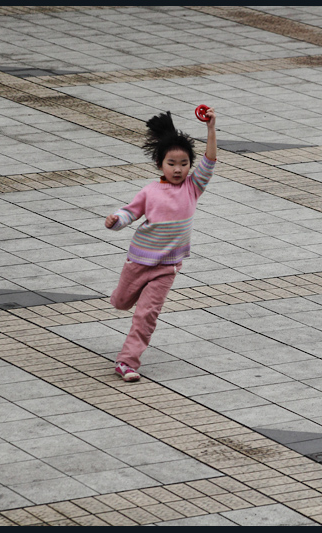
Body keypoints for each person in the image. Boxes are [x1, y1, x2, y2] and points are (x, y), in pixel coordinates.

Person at [105, 107, 217, 382]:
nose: (178, 169)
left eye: (183, 163)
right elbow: (130, 212)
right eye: (171, 163)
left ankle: (126, 362)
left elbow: (210, 159)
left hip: (167, 267)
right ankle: (123, 298)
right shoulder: (150, 191)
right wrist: (116, 220)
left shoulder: (194, 187)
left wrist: (211, 128)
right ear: (159, 164)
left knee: (146, 315)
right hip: (139, 262)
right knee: (121, 303)